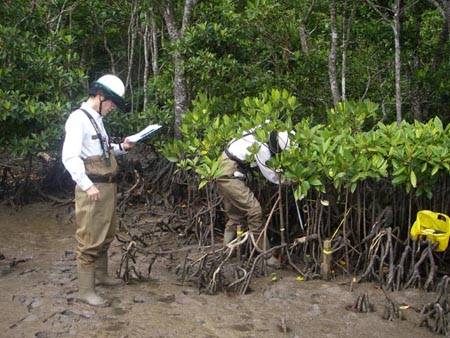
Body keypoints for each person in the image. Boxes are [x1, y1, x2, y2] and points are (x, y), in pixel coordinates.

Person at [62, 74, 135, 306]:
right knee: (89, 238)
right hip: (92, 188)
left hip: (106, 187)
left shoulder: (96, 119)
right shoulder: (78, 119)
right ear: (101, 96)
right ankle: (86, 290)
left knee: (107, 233)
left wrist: (122, 147)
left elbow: (102, 150)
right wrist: (87, 185)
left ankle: (102, 276)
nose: (113, 107)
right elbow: (70, 157)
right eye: (112, 102)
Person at [216, 127, 291, 268]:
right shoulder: (261, 148)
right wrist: (290, 179)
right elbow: (272, 176)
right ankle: (266, 256)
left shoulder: (260, 130)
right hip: (229, 175)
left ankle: (226, 250)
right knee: (254, 211)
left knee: (236, 215)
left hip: (224, 169)